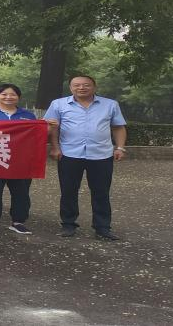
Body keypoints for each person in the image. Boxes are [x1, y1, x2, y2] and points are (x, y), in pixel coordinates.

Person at [45, 75, 127, 240]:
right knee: (68, 191)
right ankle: (68, 224)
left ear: (94, 87)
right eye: (77, 85)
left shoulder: (110, 104)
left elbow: (118, 127)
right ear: (70, 88)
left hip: (101, 155)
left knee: (101, 192)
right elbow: (52, 128)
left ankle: (102, 228)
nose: (81, 88)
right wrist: (55, 147)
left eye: (86, 85)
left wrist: (120, 147)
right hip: (69, 154)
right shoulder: (58, 104)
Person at [0, 84, 39, 235]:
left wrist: (47, 126)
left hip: (20, 161)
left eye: (12, 94)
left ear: (18, 97)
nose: (8, 97)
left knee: (21, 192)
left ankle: (18, 221)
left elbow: (35, 135)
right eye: (4, 94)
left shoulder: (28, 115)